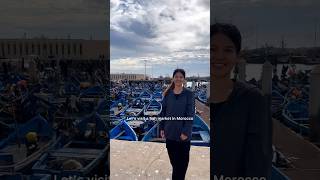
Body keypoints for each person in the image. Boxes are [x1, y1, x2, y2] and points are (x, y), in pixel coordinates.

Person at [211, 23, 272, 179]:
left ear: (237, 56)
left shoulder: (253, 99)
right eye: (212, 49)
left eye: (228, 50)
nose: (219, 56)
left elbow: (258, 162)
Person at [159, 69, 195, 180]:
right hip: (170, 133)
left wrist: (185, 132)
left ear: (184, 79)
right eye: (176, 76)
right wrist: (161, 127)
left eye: (181, 77)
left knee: (182, 165)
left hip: (183, 135)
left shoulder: (189, 94)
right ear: (173, 78)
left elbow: (190, 114)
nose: (178, 78)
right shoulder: (168, 93)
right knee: (174, 162)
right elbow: (163, 112)